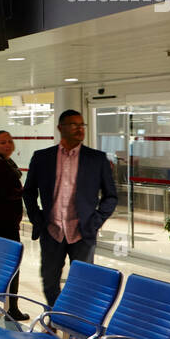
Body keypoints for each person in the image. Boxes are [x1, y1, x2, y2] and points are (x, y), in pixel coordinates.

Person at [23, 109, 118, 304]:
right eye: (73, 125)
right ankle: (54, 316)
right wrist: (37, 218)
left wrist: (96, 221)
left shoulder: (96, 159)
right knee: (50, 281)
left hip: (82, 232)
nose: (79, 129)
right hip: (52, 231)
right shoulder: (42, 158)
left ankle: (73, 326)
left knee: (82, 283)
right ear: (60, 128)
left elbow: (111, 196)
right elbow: (29, 191)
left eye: (81, 125)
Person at [0, 130, 28, 320]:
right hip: (1, 224)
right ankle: (11, 308)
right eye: (2, 142)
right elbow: (6, 193)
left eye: (10, 141)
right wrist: (25, 191)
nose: (8, 145)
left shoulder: (5, 162)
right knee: (11, 265)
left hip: (2, 222)